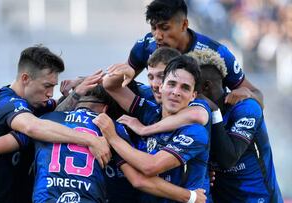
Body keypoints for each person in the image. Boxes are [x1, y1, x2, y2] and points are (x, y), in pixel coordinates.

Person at [0, 45, 110, 203]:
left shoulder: (36, 105)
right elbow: (33, 127)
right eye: (47, 86)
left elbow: (54, 116)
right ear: (25, 78)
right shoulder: (5, 103)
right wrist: (90, 139)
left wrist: (78, 92)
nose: (50, 94)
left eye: (53, 86)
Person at [100, 55, 210, 202]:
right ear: (161, 87)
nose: (176, 92)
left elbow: (150, 166)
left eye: (185, 88)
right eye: (171, 84)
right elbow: (110, 85)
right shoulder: (150, 112)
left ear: (193, 96)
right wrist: (130, 71)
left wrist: (113, 138)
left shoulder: (195, 132)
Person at [188, 49, 283, 203]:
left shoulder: (246, 108)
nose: (187, 93)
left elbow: (227, 159)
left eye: (190, 87)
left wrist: (214, 113)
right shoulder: (196, 112)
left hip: (257, 198)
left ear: (205, 87)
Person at [128, 0, 264, 107]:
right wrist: (119, 76)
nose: (157, 35)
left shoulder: (216, 52)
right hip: (162, 116)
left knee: (250, 108)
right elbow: (122, 83)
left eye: (164, 28)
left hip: (206, 123)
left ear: (184, 25)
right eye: (153, 28)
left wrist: (248, 95)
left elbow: (257, 95)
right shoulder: (146, 45)